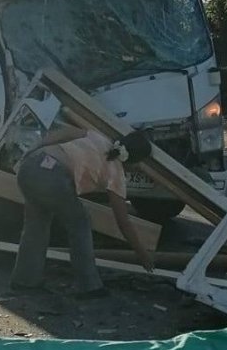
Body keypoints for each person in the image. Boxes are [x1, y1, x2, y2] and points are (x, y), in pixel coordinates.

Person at [10, 124, 155, 298]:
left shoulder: (98, 138)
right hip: (52, 176)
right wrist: (142, 254)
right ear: (134, 161)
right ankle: (88, 286)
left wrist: (33, 149)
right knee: (80, 223)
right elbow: (123, 222)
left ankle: (24, 281)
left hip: (31, 165)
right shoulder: (115, 174)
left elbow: (61, 133)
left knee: (36, 224)